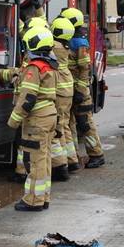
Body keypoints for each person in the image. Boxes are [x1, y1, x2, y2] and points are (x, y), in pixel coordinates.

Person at [6, 26, 59, 211]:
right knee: (44, 159)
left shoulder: (34, 68)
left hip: (36, 120)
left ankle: (32, 201)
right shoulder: (51, 66)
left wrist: (13, 121)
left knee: (34, 161)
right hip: (49, 117)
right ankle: (42, 198)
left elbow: (27, 98)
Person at [61, 7, 106, 168]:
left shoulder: (80, 43)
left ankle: (96, 154)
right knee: (70, 123)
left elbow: (84, 69)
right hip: (69, 89)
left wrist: (80, 91)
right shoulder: (70, 40)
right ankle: (72, 157)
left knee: (85, 124)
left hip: (80, 92)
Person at [49, 16, 78, 181]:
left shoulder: (54, 46)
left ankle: (60, 167)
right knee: (65, 125)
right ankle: (72, 160)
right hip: (68, 88)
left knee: (56, 129)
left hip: (59, 91)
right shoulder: (65, 46)